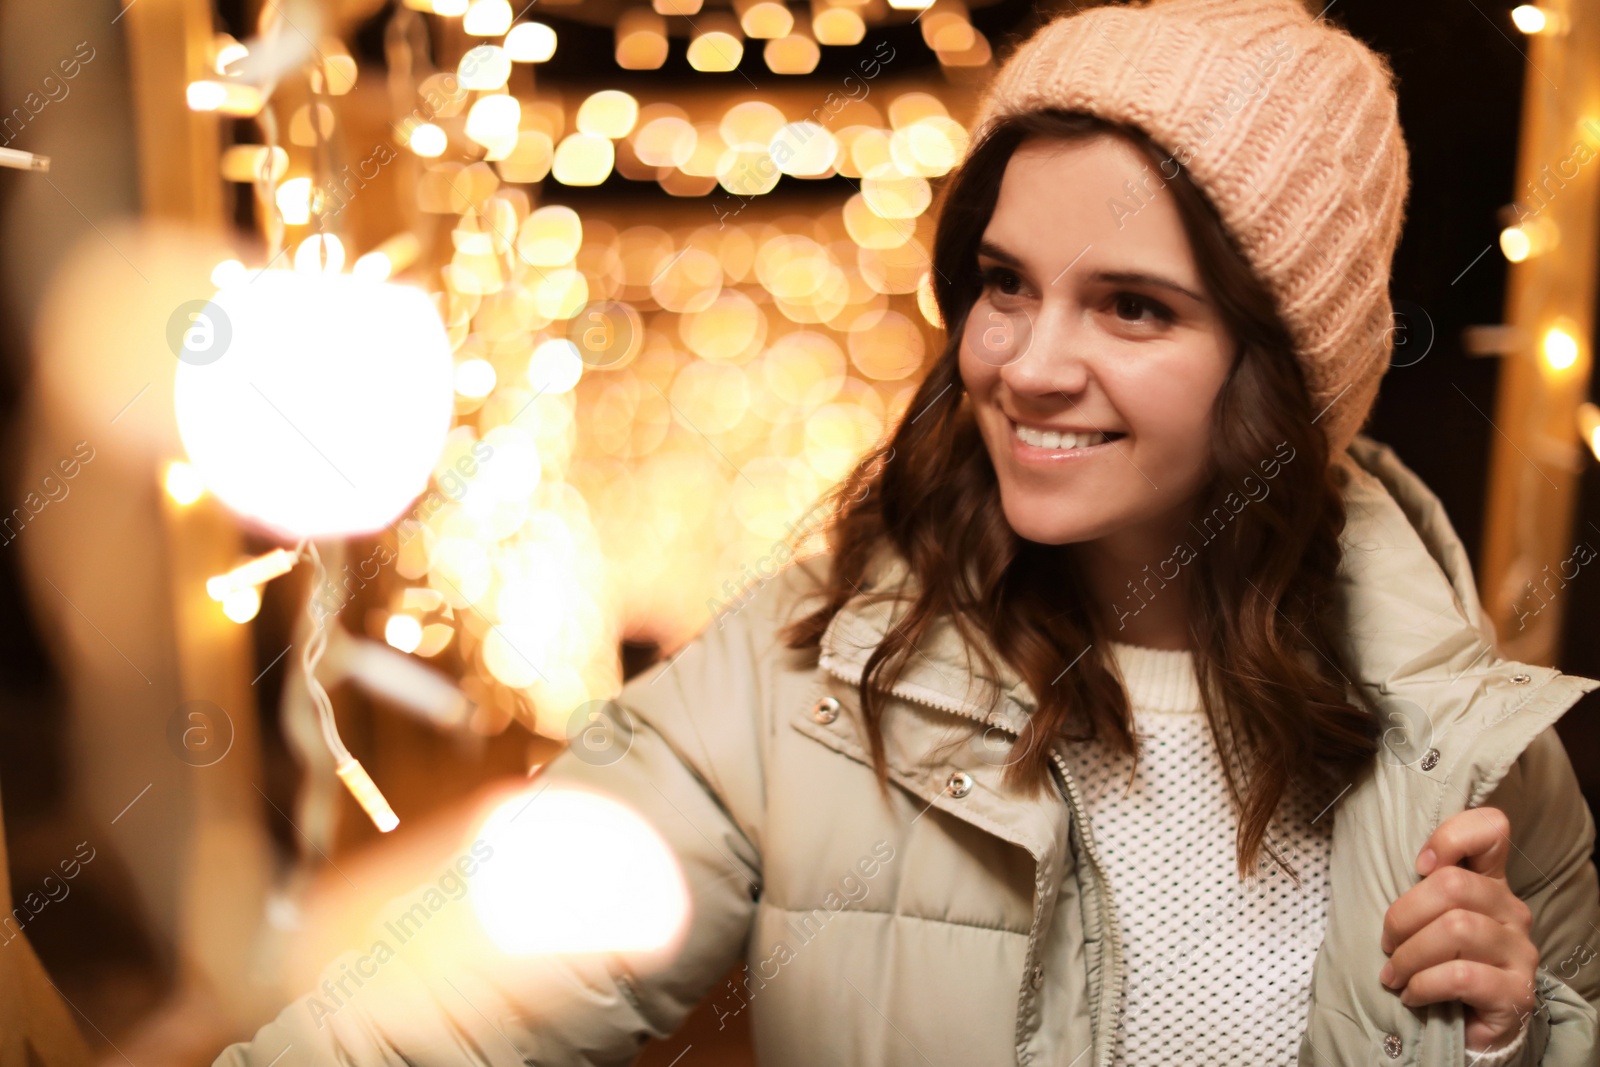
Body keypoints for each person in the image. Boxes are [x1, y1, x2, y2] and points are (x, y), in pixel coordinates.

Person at [215, 0, 1600, 1064]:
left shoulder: (1470, 757)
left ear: (1283, 371)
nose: (1028, 363)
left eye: (1133, 306)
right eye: (1005, 283)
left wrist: (1521, 1038)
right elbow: (423, 1014)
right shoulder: (802, 683)